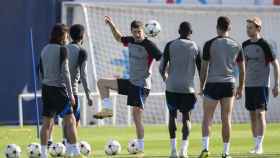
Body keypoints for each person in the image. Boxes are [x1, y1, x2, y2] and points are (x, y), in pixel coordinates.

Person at [93, 16, 162, 154]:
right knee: (102, 83)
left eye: (139, 32)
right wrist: (112, 25)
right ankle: (107, 110)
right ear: (131, 32)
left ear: (144, 31)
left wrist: (166, 74)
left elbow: (163, 58)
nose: (137, 34)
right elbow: (118, 37)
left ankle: (141, 147)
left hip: (142, 85)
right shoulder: (130, 41)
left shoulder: (150, 45)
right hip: (131, 82)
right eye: (134, 32)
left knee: (136, 116)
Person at [198, 16, 245, 158]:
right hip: (229, 85)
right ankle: (226, 152)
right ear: (229, 28)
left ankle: (206, 149)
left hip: (212, 84)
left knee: (207, 118)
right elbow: (243, 70)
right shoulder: (237, 45)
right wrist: (241, 87)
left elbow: (204, 68)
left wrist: (201, 86)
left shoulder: (209, 44)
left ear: (217, 27)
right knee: (227, 118)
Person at [159, 21, 201, 158]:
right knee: (186, 118)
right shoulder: (195, 46)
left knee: (172, 116)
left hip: (172, 87)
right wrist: (203, 86)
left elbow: (161, 67)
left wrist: (166, 79)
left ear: (178, 31)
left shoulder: (170, 45)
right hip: (188, 88)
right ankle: (184, 151)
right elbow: (201, 70)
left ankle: (173, 151)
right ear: (191, 32)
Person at [39, 23, 81, 158]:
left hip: (46, 89)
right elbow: (66, 73)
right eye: (66, 35)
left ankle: (44, 153)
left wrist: (45, 84)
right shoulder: (63, 50)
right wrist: (70, 94)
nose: (67, 38)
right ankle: (75, 151)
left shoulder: (44, 49)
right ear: (61, 36)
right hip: (59, 90)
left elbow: (40, 71)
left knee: (47, 123)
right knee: (71, 120)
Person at [243, 17, 279, 154]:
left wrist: (277, 84)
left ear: (258, 28)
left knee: (260, 114)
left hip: (262, 85)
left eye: (250, 27)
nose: (248, 30)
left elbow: (276, 65)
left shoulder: (265, 45)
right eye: (247, 28)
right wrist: (240, 85)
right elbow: (244, 66)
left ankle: (260, 146)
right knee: (252, 115)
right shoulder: (245, 45)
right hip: (249, 85)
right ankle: (255, 144)